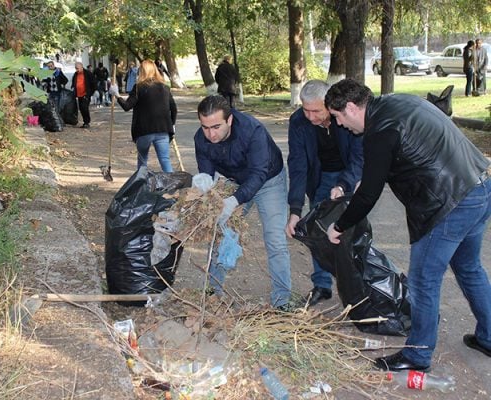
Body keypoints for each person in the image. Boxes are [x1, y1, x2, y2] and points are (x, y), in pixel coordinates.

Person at [324, 78, 491, 372]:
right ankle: (489, 337)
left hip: (449, 203)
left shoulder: (379, 130)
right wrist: (370, 179)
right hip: (479, 187)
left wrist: (339, 226)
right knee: (469, 268)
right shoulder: (396, 103)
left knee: (423, 281)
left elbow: (369, 196)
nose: (340, 125)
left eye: (337, 117)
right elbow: (404, 153)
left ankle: (417, 355)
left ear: (350, 107)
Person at [193, 95, 293, 310]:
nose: (211, 134)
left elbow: (258, 173)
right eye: (205, 127)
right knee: (222, 234)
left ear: (229, 120)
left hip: (269, 181)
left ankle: (282, 302)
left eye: (216, 127)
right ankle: (212, 294)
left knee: (275, 240)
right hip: (234, 182)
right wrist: (204, 183)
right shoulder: (201, 138)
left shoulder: (251, 130)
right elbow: (207, 172)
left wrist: (234, 201)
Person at [286, 80, 363, 306]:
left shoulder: (345, 116)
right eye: (305, 110)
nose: (310, 117)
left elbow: (360, 157)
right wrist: (295, 210)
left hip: (350, 174)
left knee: (352, 231)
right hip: (319, 179)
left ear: (329, 104)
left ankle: (357, 287)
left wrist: (344, 185)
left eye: (316, 111)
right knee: (318, 232)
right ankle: (322, 285)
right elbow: (298, 166)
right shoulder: (298, 122)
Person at [109, 60, 176, 172]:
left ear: (142, 72)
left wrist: (116, 94)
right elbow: (173, 108)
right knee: (165, 160)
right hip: (163, 129)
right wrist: (172, 124)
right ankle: (172, 187)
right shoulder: (165, 88)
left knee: (142, 160)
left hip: (144, 131)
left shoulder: (138, 88)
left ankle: (141, 184)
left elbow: (127, 106)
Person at [71, 62, 96, 129]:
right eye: (76, 68)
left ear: (82, 67)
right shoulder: (76, 74)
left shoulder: (88, 73)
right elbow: (74, 82)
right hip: (79, 95)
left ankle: (87, 122)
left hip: (86, 94)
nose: (77, 70)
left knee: (85, 108)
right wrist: (73, 87)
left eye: (78, 68)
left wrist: (90, 94)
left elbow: (94, 84)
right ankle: (85, 122)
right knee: (81, 109)